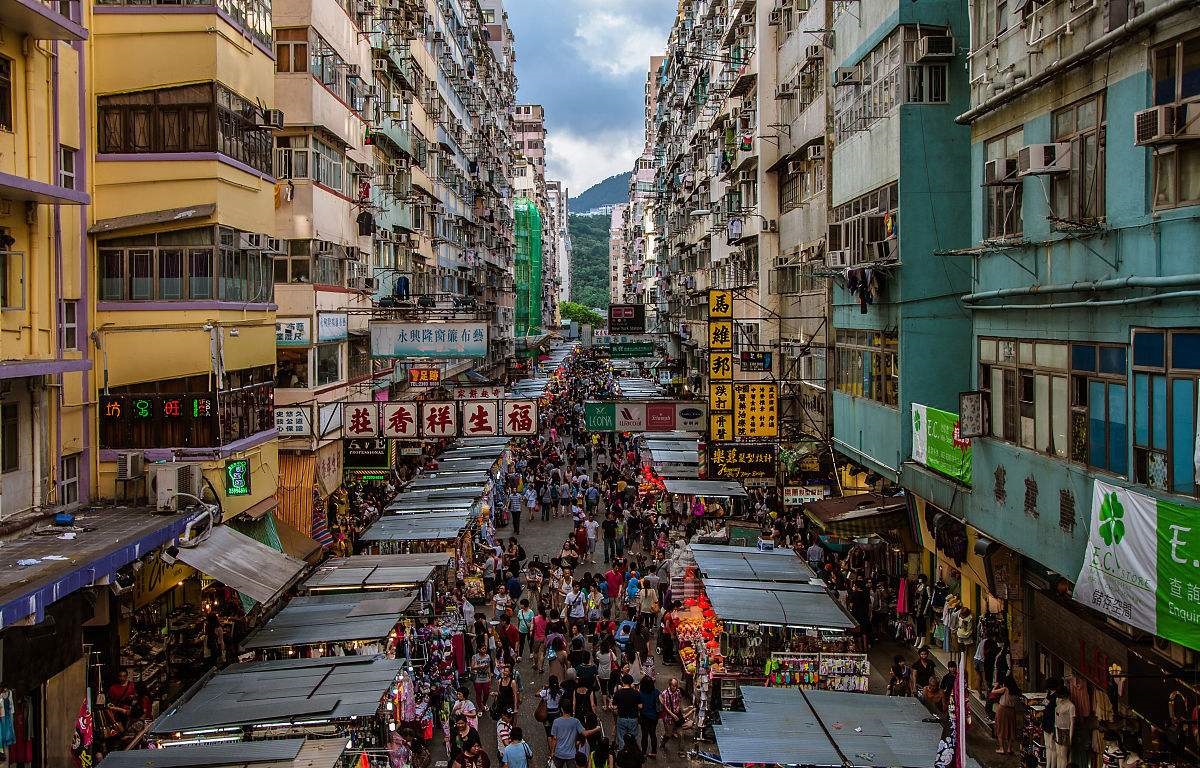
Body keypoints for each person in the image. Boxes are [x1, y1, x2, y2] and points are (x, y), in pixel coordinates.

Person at [548, 702, 599, 768]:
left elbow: (554, 739)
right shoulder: (575, 721)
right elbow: (585, 733)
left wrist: (552, 752)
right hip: (571, 755)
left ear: (562, 709)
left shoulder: (556, 722)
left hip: (559, 753)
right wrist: (597, 729)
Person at [991, 673, 1021, 755]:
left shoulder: (1005, 689)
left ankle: (1001, 748)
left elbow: (993, 692)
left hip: (1002, 709)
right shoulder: (1016, 690)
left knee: (1001, 728)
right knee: (1011, 728)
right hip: (1011, 711)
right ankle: (1009, 748)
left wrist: (996, 685)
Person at [612, 674, 642, 751]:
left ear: (623, 682)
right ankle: (632, 753)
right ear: (631, 682)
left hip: (622, 717)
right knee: (633, 737)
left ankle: (623, 754)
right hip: (633, 718)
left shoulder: (618, 693)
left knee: (621, 738)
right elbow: (640, 706)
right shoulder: (636, 693)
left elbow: (614, 707)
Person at [658, 678, 684, 752]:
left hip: (677, 716)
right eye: (673, 686)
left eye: (676, 686)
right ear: (670, 685)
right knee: (668, 734)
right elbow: (665, 707)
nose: (675, 687)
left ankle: (681, 751)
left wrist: (678, 707)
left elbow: (679, 700)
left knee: (681, 734)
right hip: (668, 718)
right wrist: (673, 715)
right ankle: (663, 742)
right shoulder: (665, 694)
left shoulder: (678, 691)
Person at [637, 677, 660, 758]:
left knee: (644, 735)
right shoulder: (656, 692)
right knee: (653, 734)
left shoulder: (640, 693)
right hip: (654, 717)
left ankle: (643, 752)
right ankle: (654, 752)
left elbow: (639, 706)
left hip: (644, 716)